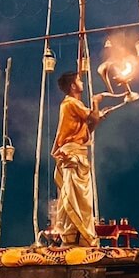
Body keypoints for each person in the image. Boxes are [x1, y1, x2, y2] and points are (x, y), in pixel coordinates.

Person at [51, 71, 103, 246]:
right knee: (75, 197)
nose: (82, 83)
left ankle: (79, 237)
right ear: (73, 86)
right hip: (72, 156)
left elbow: (88, 127)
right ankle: (73, 236)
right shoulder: (71, 102)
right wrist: (95, 103)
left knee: (79, 198)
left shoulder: (73, 105)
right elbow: (93, 117)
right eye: (79, 80)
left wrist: (97, 117)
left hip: (77, 153)